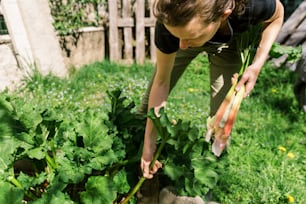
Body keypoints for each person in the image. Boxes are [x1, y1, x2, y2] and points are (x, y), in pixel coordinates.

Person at [138, 0, 284, 189]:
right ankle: (143, 181)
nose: (182, 45)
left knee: (220, 124)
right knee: (145, 113)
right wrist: (148, 144)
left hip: (228, 44)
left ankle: (204, 186)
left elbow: (277, 14)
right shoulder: (173, 19)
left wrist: (256, 65)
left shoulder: (251, 5)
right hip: (192, 31)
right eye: (178, 36)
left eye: (189, 36)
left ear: (224, 14)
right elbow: (162, 81)